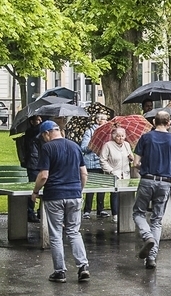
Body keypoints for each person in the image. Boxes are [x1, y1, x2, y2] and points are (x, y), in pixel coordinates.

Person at [30, 121, 90, 282]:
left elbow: (43, 175)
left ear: (46, 133)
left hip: (54, 195)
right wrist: (79, 190)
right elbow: (84, 174)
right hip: (74, 194)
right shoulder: (75, 146)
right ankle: (83, 266)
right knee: (73, 231)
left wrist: (35, 192)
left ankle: (60, 271)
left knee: (56, 234)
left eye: (43, 136)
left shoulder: (47, 148)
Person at [132, 111, 171, 269]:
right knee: (157, 219)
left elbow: (135, 163)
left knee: (138, 213)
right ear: (169, 122)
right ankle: (152, 257)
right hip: (165, 182)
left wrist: (147, 166)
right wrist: (168, 170)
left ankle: (147, 236)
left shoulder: (146, 137)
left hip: (147, 179)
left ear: (154, 121)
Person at [98, 127, 132, 223]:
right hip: (114, 174)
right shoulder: (108, 145)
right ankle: (115, 214)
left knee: (125, 194)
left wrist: (131, 158)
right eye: (118, 136)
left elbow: (129, 158)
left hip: (125, 174)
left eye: (122, 136)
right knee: (115, 194)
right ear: (113, 137)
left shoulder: (127, 145)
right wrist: (110, 170)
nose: (120, 138)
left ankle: (125, 213)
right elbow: (102, 160)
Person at [80, 115, 109, 219]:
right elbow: (83, 148)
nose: (106, 121)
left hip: (102, 163)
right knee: (90, 188)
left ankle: (100, 210)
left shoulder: (107, 133)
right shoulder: (89, 132)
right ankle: (87, 210)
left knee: (101, 187)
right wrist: (94, 143)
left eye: (107, 119)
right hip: (91, 164)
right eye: (104, 119)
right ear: (98, 120)